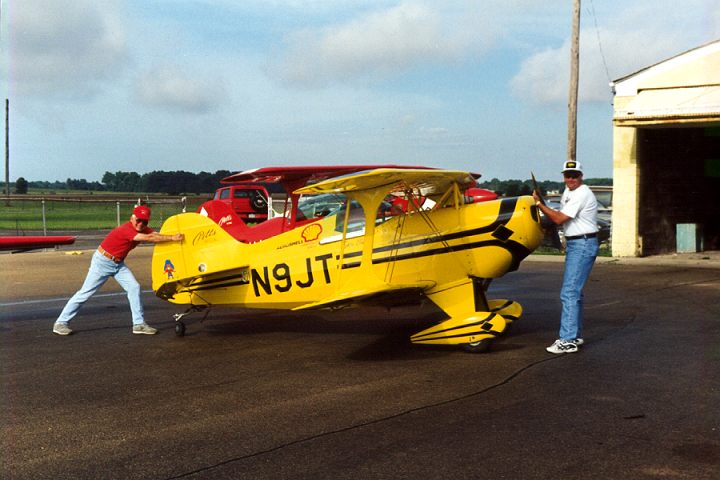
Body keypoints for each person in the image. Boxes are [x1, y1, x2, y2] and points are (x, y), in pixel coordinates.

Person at [52, 205, 184, 336]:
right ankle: (61, 323)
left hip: (118, 263)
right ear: (132, 218)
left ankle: (139, 324)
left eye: (144, 221)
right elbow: (148, 238)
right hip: (102, 262)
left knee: (134, 287)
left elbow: (155, 234)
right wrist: (173, 238)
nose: (141, 223)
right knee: (85, 293)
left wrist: (178, 236)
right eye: (138, 220)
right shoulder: (126, 229)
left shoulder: (143, 228)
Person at [533, 160, 599, 354]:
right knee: (574, 292)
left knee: (569, 292)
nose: (570, 179)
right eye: (567, 175)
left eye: (574, 175)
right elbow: (561, 216)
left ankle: (567, 339)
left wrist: (538, 203)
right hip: (576, 242)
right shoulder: (569, 192)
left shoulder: (581, 193)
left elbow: (559, 219)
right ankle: (575, 335)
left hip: (583, 243)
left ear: (581, 176)